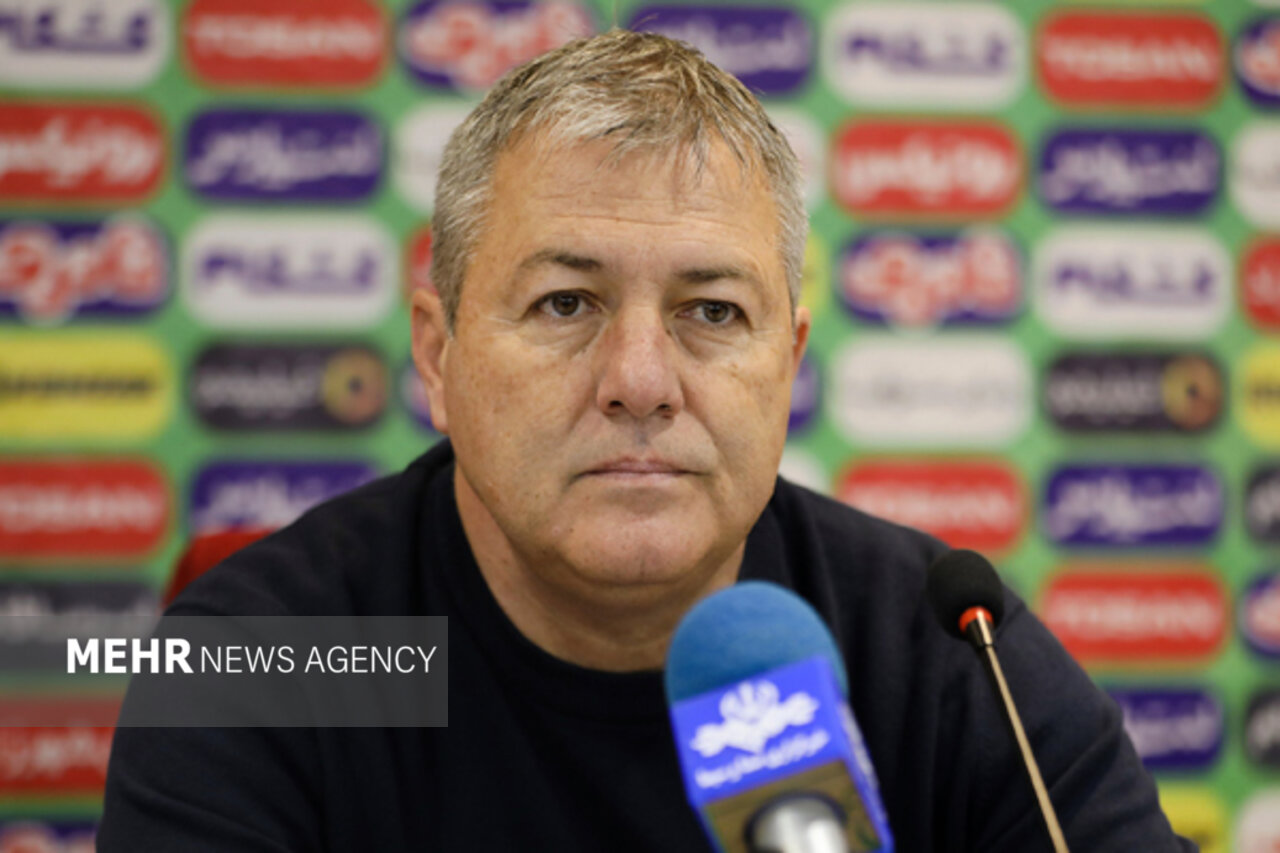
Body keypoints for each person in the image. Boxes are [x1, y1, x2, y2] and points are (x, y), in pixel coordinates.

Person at [99, 30, 1192, 852]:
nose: (639, 382)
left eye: (711, 311)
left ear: (788, 364)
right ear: (437, 354)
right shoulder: (271, 662)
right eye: (565, 303)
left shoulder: (948, 655)